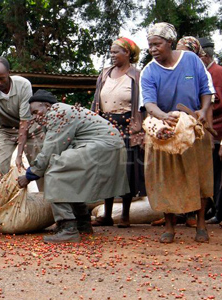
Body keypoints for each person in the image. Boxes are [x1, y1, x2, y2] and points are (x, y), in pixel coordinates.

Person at [17, 90, 129, 243]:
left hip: (102, 148)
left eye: (37, 112)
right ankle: (82, 223)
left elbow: (51, 149)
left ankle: (67, 227)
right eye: (33, 114)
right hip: (107, 146)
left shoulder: (57, 113)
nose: (36, 117)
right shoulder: (62, 111)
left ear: (47, 106)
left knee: (55, 173)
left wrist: (30, 175)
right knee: (70, 176)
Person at [140, 22, 214, 243]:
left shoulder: (191, 60)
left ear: (169, 42)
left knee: (200, 176)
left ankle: (201, 225)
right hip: (164, 129)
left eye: (157, 44)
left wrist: (203, 110)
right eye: (150, 45)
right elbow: (149, 104)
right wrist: (163, 116)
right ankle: (170, 227)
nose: (153, 49)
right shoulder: (149, 71)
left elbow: (206, 90)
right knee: (165, 178)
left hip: (193, 127)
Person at [91, 37, 146, 228]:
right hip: (105, 126)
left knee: (126, 169)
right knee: (107, 169)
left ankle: (125, 215)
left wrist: (141, 129)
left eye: (116, 52)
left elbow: (142, 105)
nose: (112, 55)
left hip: (127, 126)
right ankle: (106, 214)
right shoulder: (105, 74)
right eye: (111, 52)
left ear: (128, 53)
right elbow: (97, 100)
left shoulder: (137, 76)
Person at [0, 57, 43, 181]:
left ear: (9, 73)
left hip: (30, 129)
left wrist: (19, 155)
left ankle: (44, 197)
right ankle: (3, 198)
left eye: (1, 78)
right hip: (6, 131)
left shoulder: (23, 85)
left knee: (39, 165)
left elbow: (24, 122)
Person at [199, 37, 222, 227]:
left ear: (205, 56)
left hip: (217, 133)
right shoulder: (203, 73)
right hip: (204, 132)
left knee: (216, 176)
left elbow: (218, 102)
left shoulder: (218, 73)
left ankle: (218, 212)